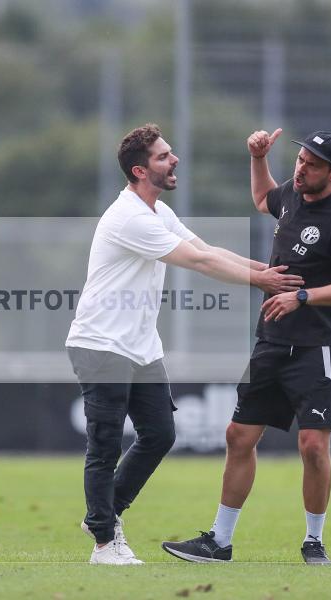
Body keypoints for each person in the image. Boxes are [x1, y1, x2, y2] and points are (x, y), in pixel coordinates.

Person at [66, 123, 304, 565]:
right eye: (163, 156)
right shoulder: (130, 217)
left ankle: (104, 513)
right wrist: (261, 282)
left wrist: (269, 271)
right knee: (104, 446)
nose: (174, 159)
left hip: (140, 346)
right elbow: (198, 261)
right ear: (140, 170)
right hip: (101, 344)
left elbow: (208, 248)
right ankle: (104, 542)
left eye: (170, 152)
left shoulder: (158, 211)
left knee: (160, 434)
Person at [161, 129, 331, 565]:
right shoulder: (291, 194)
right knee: (238, 436)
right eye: (301, 159)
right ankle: (219, 541)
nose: (301, 168)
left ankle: (314, 541)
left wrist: (303, 296)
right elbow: (261, 198)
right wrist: (258, 158)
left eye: (313, 164)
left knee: (312, 446)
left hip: (319, 345)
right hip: (272, 340)